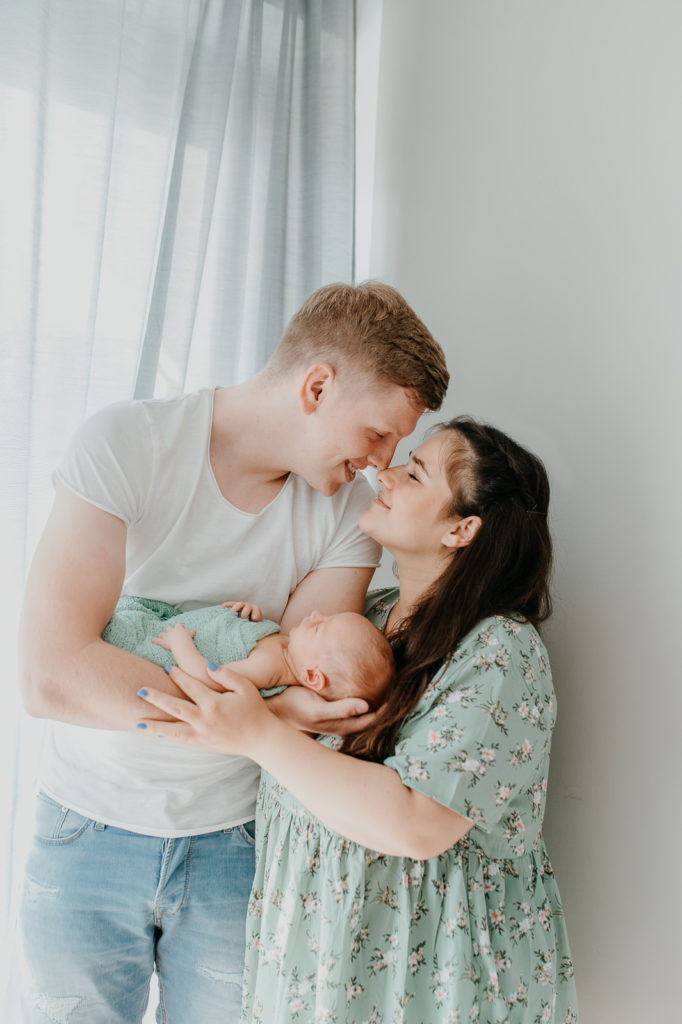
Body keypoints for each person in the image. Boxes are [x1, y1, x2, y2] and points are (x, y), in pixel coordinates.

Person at [17, 281, 449, 1024]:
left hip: (237, 841)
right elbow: (52, 676)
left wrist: (271, 708)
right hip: (86, 824)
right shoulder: (126, 444)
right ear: (317, 386)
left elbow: (315, 690)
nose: (381, 463)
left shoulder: (348, 513)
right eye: (378, 433)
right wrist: (263, 711)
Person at [138, 416, 579, 1024]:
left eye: (415, 471)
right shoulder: (367, 621)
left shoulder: (499, 651)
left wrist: (260, 733)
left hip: (425, 979)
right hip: (316, 967)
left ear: (462, 528)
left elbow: (417, 823)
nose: (385, 470)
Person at [103, 596, 394, 709]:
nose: (316, 612)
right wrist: (248, 617)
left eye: (321, 627)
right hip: (175, 628)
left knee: (114, 630)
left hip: (168, 646)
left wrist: (180, 645)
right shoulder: (286, 649)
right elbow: (243, 641)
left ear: (312, 677)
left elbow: (212, 679)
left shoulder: (270, 668)